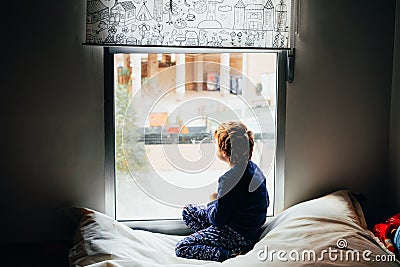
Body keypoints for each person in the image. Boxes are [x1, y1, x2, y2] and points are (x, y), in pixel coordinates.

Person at [175, 121, 269, 262]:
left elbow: (218, 219)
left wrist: (213, 201)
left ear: (224, 152)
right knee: (188, 212)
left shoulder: (228, 180)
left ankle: (229, 254)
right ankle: (211, 238)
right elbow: (263, 202)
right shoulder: (255, 169)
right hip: (250, 229)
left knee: (182, 247)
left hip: (235, 234)